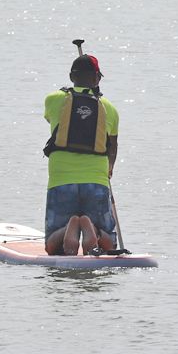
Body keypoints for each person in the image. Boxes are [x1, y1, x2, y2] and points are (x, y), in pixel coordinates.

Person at [42, 54, 121, 255]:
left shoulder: (53, 100)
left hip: (61, 180)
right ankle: (92, 229)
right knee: (109, 245)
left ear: (71, 76)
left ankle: (69, 227)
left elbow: (51, 120)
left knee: (53, 248)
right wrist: (109, 169)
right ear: (97, 79)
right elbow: (112, 147)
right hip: (96, 179)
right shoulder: (110, 109)